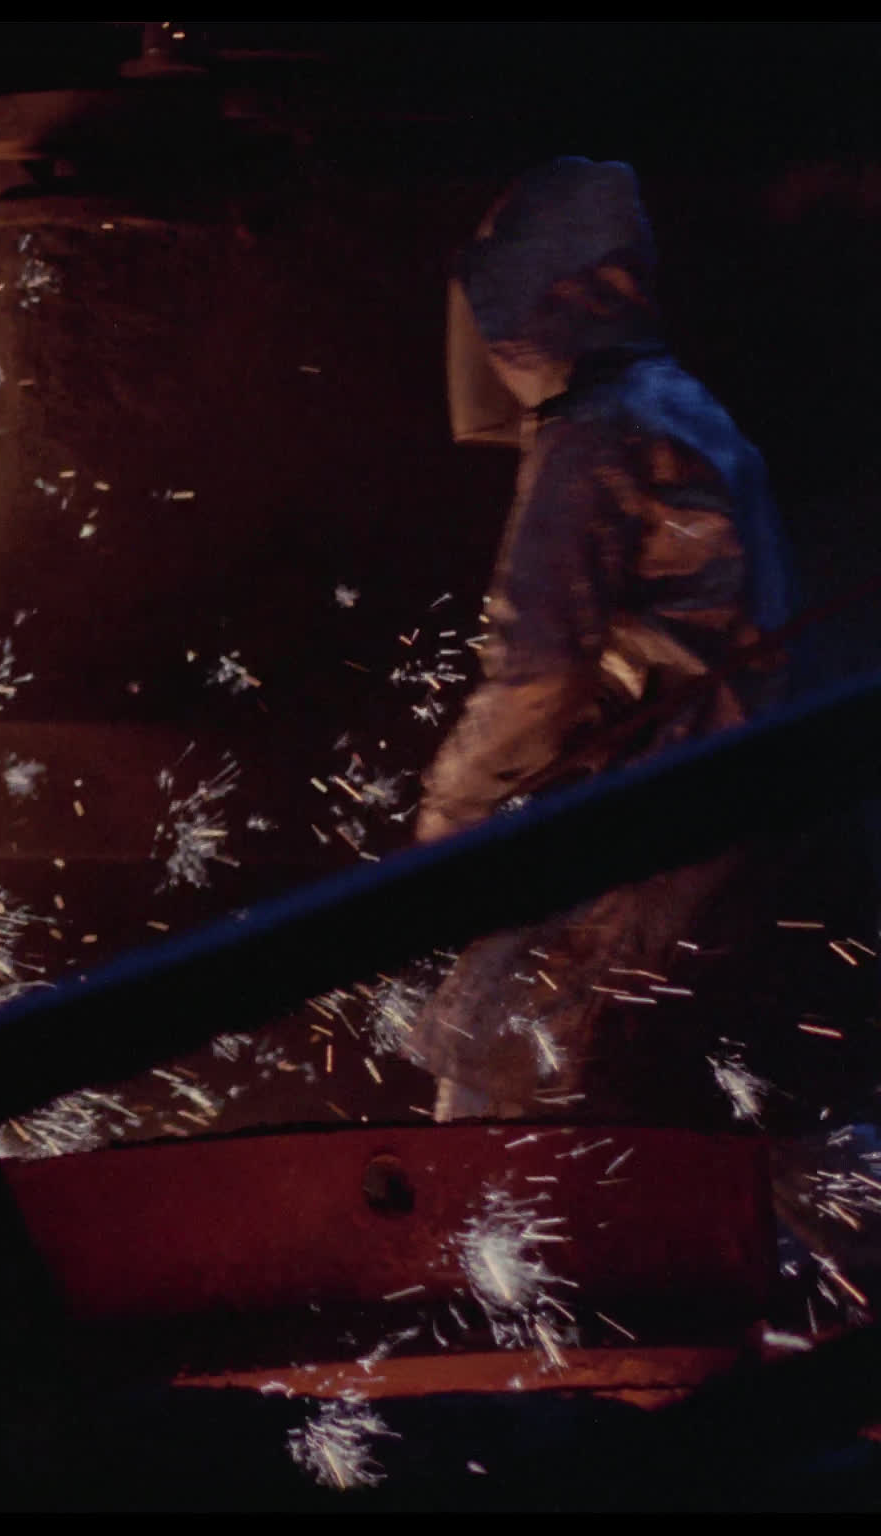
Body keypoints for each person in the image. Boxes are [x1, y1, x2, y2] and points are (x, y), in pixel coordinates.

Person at [411, 157, 795, 1123]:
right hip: (725, 804)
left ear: (538, 293)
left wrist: (449, 815)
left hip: (646, 813)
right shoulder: (682, 407)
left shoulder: (592, 437)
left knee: (489, 1075)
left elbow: (536, 674)